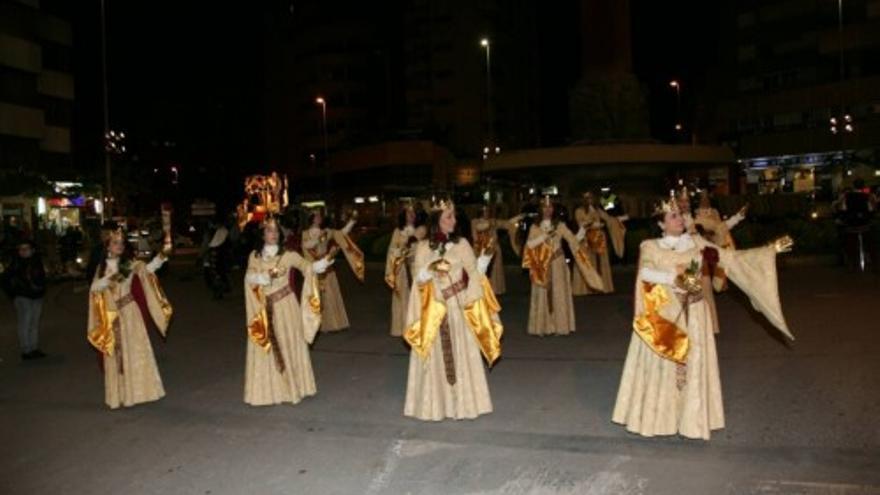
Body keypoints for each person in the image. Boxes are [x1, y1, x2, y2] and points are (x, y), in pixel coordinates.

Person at [612, 194, 793, 440]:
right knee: (664, 368)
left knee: (693, 366)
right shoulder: (650, 246)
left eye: (680, 215)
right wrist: (675, 278)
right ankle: (661, 419)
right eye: (673, 216)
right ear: (662, 224)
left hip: (694, 313)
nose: (680, 219)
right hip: (665, 316)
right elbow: (645, 272)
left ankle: (691, 420)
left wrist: (769, 250)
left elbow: (731, 259)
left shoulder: (698, 244)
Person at [403, 197, 502, 420]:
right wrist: (428, 272)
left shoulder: (462, 244)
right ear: (437, 220)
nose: (454, 220)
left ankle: (463, 404)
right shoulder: (422, 248)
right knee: (435, 360)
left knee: (461, 355)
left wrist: (483, 263)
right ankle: (436, 406)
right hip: (434, 313)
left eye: (455, 216)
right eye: (449, 216)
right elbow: (418, 280)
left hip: (457, 310)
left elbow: (474, 274)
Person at [243, 216, 332, 406]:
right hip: (264, 308)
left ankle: (294, 387)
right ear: (262, 234)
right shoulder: (255, 256)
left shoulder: (289, 255)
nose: (273, 234)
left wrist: (320, 265)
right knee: (267, 349)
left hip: (286, 305)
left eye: (276, 231)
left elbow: (306, 267)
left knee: (290, 343)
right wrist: (263, 277)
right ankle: (270, 391)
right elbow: (249, 277)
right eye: (269, 231)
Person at [87, 228, 172, 409]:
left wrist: (163, 254)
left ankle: (140, 392)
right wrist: (110, 279)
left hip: (130, 313)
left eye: (121, 243)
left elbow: (148, 269)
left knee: (136, 352)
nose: (120, 246)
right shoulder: (102, 268)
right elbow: (94, 288)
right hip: (113, 316)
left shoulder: (129, 264)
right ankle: (119, 395)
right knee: (117, 356)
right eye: (115, 243)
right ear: (108, 246)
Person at [522, 196, 605, 336]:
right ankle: (543, 327)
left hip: (558, 264)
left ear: (553, 209)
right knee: (543, 294)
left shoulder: (559, 225)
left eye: (550, 207)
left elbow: (574, 240)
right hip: (541, 266)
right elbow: (529, 245)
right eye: (545, 207)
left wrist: (583, 229)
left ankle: (560, 327)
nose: (548, 210)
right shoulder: (535, 227)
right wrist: (544, 236)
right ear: (541, 209)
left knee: (559, 293)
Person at [301, 207, 364, 332]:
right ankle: (316, 324)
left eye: (320, 216)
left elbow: (342, 233)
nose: (319, 218)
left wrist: (352, 221)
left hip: (326, 266)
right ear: (311, 218)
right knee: (316, 295)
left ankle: (332, 323)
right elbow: (306, 247)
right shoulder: (305, 234)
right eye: (316, 216)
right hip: (314, 268)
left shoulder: (327, 231)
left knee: (329, 294)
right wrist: (317, 239)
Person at [572, 191, 627, 295]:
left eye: (591, 198)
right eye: (587, 198)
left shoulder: (597, 210)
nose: (590, 200)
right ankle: (587, 287)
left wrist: (620, 219)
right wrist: (593, 224)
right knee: (588, 262)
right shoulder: (579, 211)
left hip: (599, 239)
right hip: (586, 240)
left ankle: (602, 286)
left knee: (600, 262)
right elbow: (581, 223)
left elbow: (609, 219)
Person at [385, 202, 427, 336]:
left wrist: (409, 248)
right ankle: (402, 327)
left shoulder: (421, 229)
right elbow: (392, 249)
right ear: (404, 215)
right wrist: (396, 254)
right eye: (409, 213)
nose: (412, 215)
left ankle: (419, 325)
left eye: (414, 212)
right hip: (401, 270)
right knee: (401, 297)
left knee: (418, 297)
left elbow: (421, 248)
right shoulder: (397, 231)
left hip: (416, 268)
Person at [1, 240, 47, 359]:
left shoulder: (37, 261)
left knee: (34, 322)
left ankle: (34, 347)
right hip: (22, 297)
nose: (23, 251)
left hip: (36, 296)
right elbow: (4, 280)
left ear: (32, 250)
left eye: (26, 249)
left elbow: (41, 278)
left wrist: (42, 290)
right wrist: (13, 294)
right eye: (21, 249)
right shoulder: (15, 263)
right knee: (25, 322)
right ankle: (26, 350)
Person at [469, 205, 523, 295]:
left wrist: (518, 217)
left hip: (494, 249)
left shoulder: (492, 221)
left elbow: (507, 223)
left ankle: (494, 290)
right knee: (481, 271)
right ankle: (481, 290)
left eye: (488, 211)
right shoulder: (474, 221)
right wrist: (492, 223)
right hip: (480, 250)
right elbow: (480, 227)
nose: (487, 213)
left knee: (494, 270)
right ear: (480, 212)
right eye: (485, 211)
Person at [202, 219, 232, 300]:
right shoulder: (222, 231)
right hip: (218, 256)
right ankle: (220, 291)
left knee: (216, 275)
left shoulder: (220, 231)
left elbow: (211, 245)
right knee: (219, 274)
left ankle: (218, 292)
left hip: (217, 256)